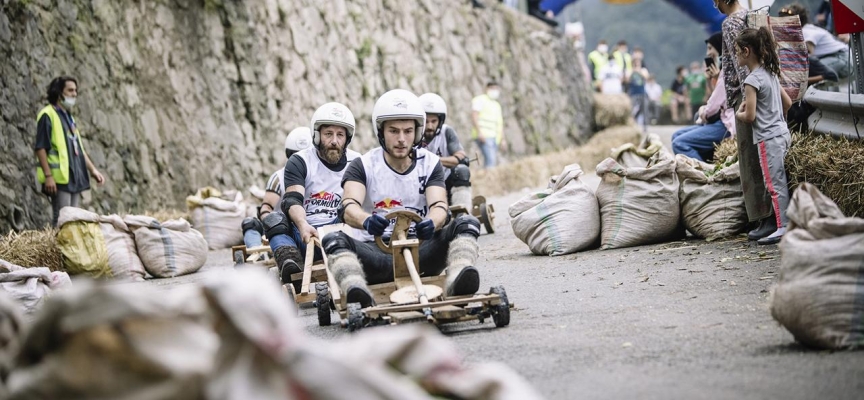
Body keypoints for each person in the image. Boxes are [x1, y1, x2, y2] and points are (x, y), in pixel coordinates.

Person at [322, 89, 483, 307]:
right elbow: (348, 206)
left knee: (467, 223)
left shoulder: (430, 163)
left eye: (408, 131)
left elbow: (439, 205)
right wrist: (366, 220)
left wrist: (432, 222)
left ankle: (457, 278)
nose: (401, 139)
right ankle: (356, 289)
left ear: (417, 132)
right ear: (381, 131)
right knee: (333, 240)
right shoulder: (362, 165)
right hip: (376, 257)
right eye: (393, 131)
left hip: (422, 251)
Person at [262, 102, 361, 281]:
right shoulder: (299, 161)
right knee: (273, 219)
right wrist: (302, 225)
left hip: (342, 232)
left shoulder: (357, 162)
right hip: (306, 235)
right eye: (328, 134)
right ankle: (291, 262)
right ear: (317, 135)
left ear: (347, 138)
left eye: (340, 135)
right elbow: (292, 200)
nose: (334, 141)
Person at [717, 0, 774, 241]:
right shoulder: (751, 16)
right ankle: (773, 215)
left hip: (746, 94)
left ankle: (764, 217)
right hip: (763, 88)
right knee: (765, 154)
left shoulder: (730, 23)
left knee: (751, 158)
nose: (714, 4)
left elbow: (741, 64)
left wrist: (745, 97)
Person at [734, 27, 793, 245]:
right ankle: (787, 224)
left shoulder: (752, 80)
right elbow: (788, 103)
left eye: (737, 51)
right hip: (783, 133)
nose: (736, 55)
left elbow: (750, 117)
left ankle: (783, 226)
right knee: (784, 181)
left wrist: (739, 113)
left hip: (768, 139)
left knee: (774, 185)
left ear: (746, 51)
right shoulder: (771, 73)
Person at [34, 76, 105, 227]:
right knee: (62, 220)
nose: (74, 94)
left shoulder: (69, 117)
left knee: (72, 221)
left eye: (75, 91)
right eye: (70, 90)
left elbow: (79, 149)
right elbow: (40, 148)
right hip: (59, 179)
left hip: (74, 177)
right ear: (59, 93)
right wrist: (48, 176)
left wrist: (93, 171)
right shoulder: (48, 115)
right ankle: (57, 244)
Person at [239, 127, 312, 250]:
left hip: (310, 225)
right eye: (295, 156)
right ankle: (256, 251)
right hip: (283, 227)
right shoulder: (278, 177)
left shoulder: (317, 176)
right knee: (250, 223)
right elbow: (266, 208)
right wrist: (273, 223)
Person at [672, 34, 735, 162]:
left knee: (678, 143)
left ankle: (704, 171)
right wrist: (712, 79)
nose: (708, 53)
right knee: (676, 135)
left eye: (710, 48)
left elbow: (713, 106)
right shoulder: (723, 71)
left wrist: (703, 112)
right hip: (721, 118)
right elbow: (716, 97)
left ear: (719, 47)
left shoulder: (727, 71)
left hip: (726, 124)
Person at [418, 93, 472, 209]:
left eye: (434, 121)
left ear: (440, 121)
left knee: (461, 170)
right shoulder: (412, 133)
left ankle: (462, 211)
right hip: (421, 183)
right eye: (426, 121)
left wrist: (433, 159)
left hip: (444, 180)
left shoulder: (446, 132)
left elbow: (460, 157)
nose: (430, 126)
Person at [779, 4, 849, 79]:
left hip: (842, 58)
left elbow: (807, 55)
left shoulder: (805, 32)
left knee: (802, 72)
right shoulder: (806, 29)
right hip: (834, 57)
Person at [471, 82, 505, 169]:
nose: (494, 91)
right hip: (484, 136)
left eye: (496, 89)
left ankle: (489, 176)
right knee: (490, 160)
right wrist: (479, 132)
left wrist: (502, 139)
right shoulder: (480, 100)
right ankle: (489, 176)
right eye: (492, 88)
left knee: (492, 161)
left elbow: (499, 123)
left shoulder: (497, 105)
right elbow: (474, 116)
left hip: (495, 137)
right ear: (487, 89)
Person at [627, 57, 649, 130]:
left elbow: (646, 77)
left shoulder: (643, 70)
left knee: (644, 109)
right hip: (633, 93)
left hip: (642, 92)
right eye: (635, 62)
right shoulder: (630, 70)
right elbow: (627, 79)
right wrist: (633, 71)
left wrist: (638, 71)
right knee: (631, 109)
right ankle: (632, 123)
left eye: (638, 62)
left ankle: (645, 126)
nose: (636, 64)